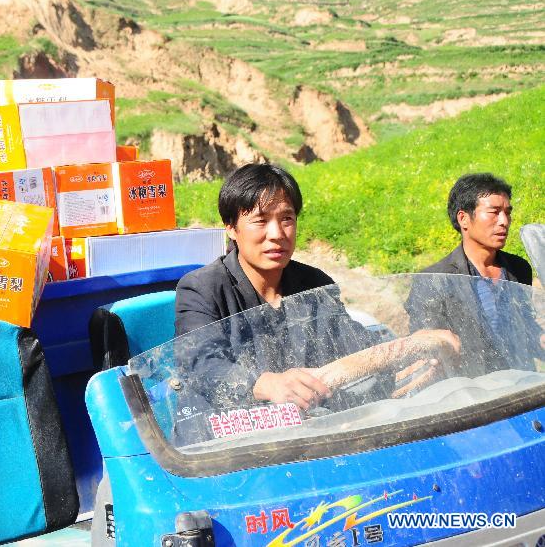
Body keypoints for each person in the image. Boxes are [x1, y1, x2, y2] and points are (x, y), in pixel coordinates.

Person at [174, 164, 457, 418]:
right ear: (232, 229)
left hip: (310, 429)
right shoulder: (201, 288)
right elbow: (201, 362)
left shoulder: (315, 284)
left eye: (286, 219)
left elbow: (353, 341)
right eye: (261, 221)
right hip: (230, 442)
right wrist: (265, 384)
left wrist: (405, 351)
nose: (277, 233)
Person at [407, 173, 542, 375]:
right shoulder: (435, 280)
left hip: (521, 390)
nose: (504, 221)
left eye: (507, 212)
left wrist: (540, 339)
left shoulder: (518, 268)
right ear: (464, 219)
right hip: (474, 396)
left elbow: (525, 329)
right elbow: (425, 345)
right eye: (494, 212)